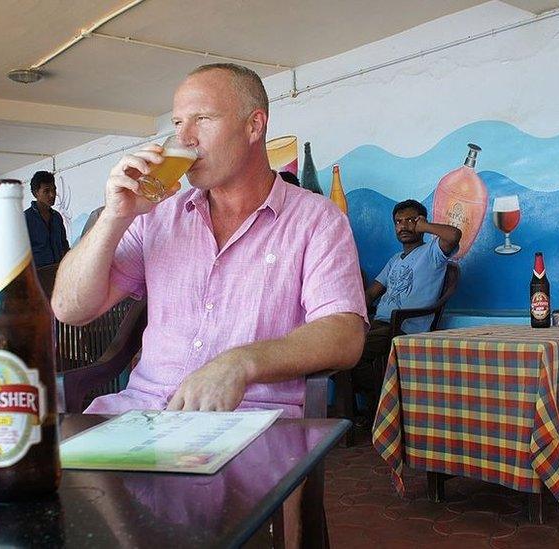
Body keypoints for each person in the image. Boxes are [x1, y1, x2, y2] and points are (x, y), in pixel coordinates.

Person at [51, 63, 367, 419]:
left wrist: (242, 363)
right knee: (37, 472)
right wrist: (115, 215)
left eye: (202, 119)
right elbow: (70, 309)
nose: (184, 137)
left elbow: (345, 333)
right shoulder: (157, 217)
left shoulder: (317, 220)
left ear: (254, 125)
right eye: (176, 123)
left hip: (246, 421)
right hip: (141, 415)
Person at [351, 199, 462, 421]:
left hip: (403, 327)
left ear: (421, 221)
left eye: (410, 221)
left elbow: (454, 235)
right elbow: (372, 293)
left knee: (350, 355)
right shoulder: (395, 260)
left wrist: (425, 227)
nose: (403, 226)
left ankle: (381, 408)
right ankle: (376, 404)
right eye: (398, 222)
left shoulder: (432, 252)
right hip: (379, 324)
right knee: (333, 352)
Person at [24, 170, 70, 267]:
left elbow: (64, 245)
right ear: (35, 193)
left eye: (54, 189)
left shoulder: (57, 217)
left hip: (58, 271)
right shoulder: (25, 219)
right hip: (37, 275)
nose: (52, 195)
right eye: (46, 191)